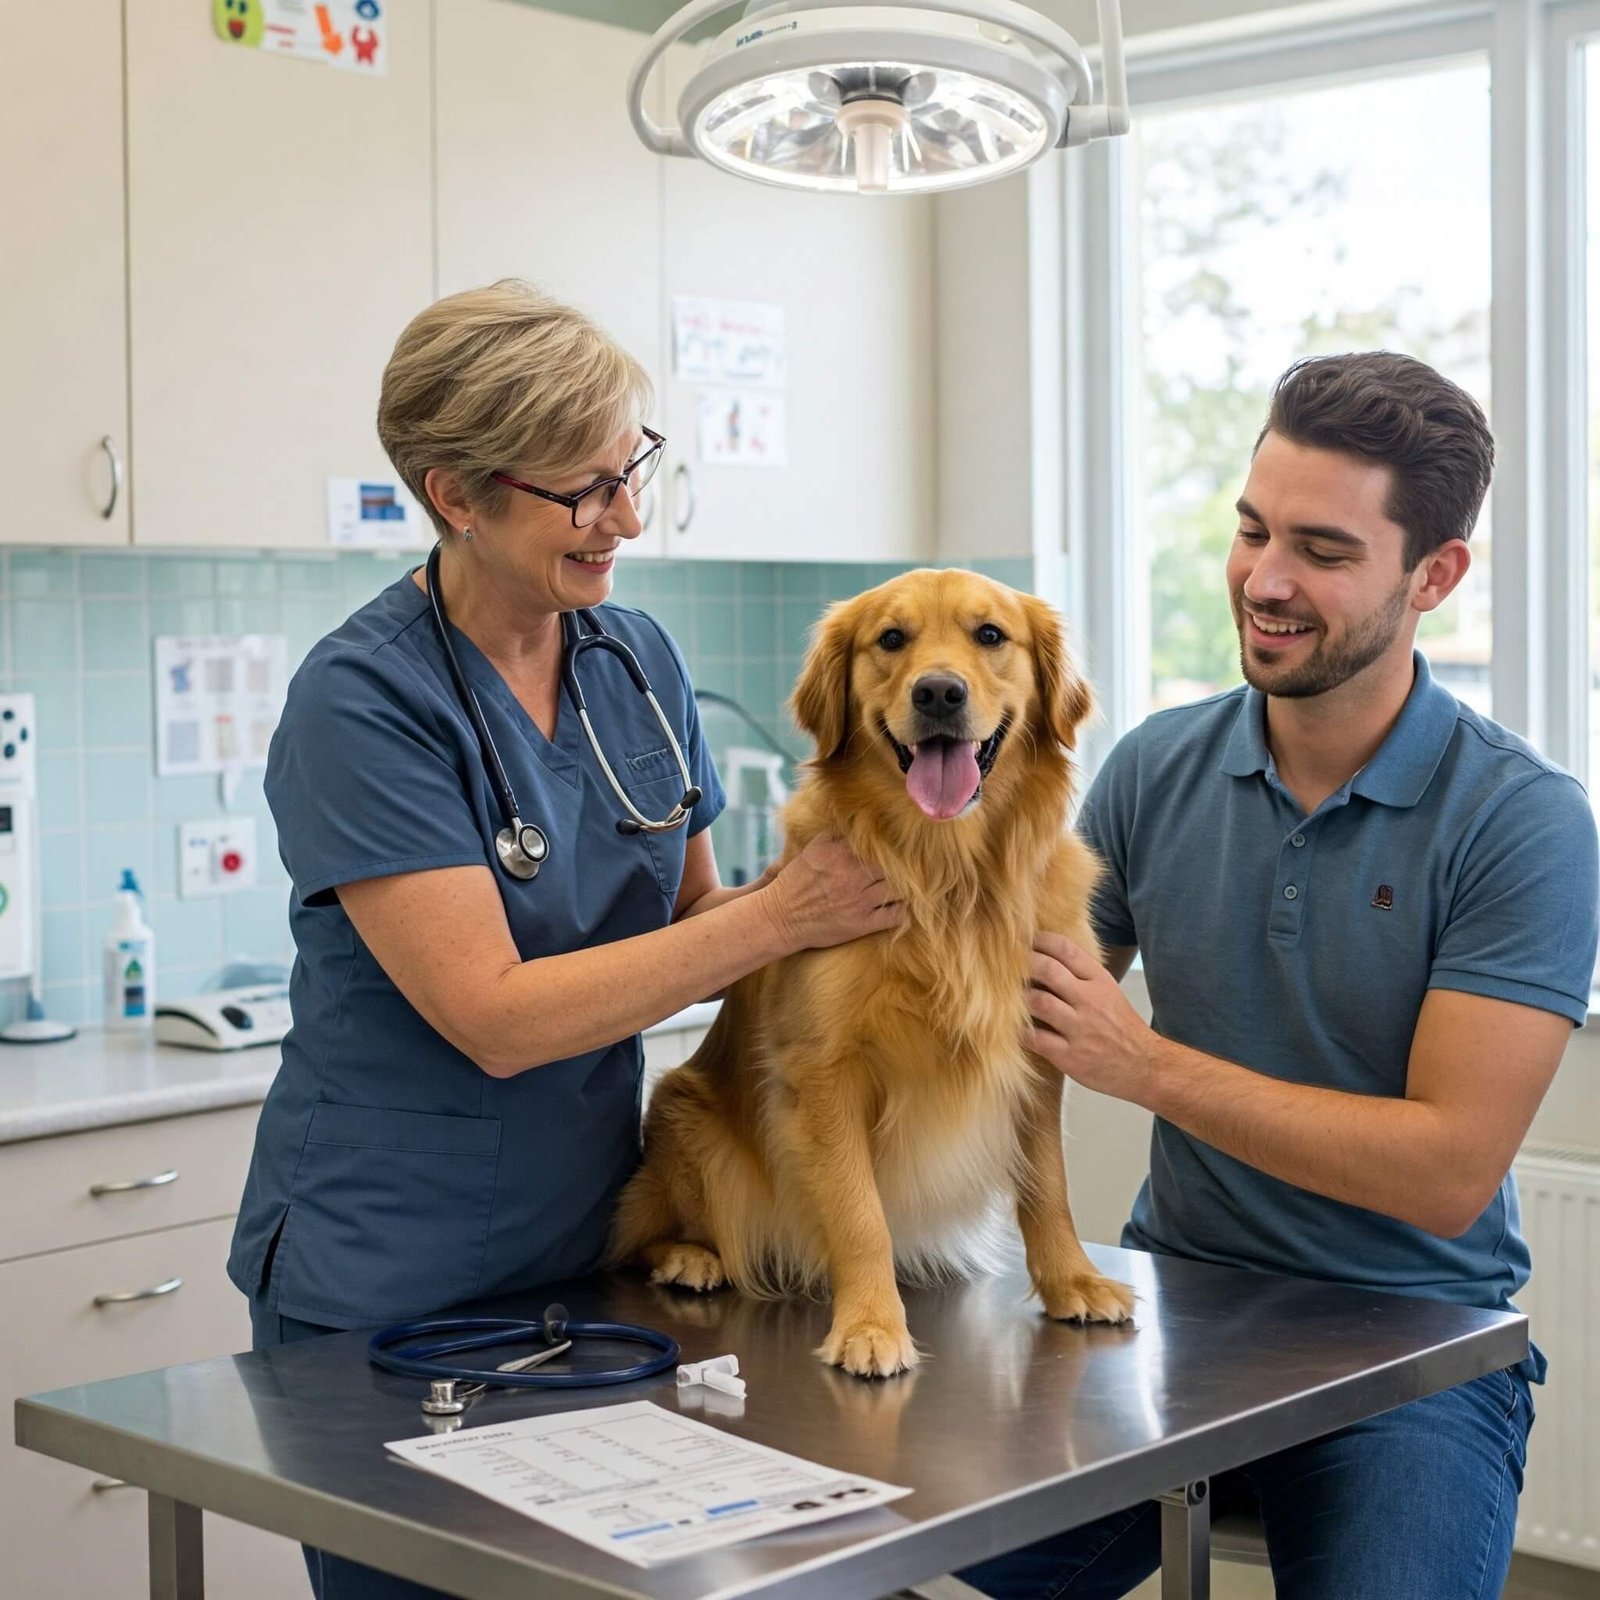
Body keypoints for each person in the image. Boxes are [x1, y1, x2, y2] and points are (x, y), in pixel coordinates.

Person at [226, 280, 901, 1600]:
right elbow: (495, 1013)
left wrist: (865, 937)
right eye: (583, 492)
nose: (628, 518)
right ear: (456, 495)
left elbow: (702, 919)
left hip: (593, 1260)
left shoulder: (633, 658)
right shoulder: (363, 702)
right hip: (385, 1281)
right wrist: (781, 915)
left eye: (632, 468)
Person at [963, 352, 1599, 1600]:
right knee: (889, 1556)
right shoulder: (1155, 766)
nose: (1263, 578)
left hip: (1413, 1352)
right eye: (1252, 529)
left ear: (1436, 575)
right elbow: (1011, 1007)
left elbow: (1442, 1169)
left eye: (1320, 548)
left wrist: (1142, 1066)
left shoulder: (1522, 822)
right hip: (1170, 1320)